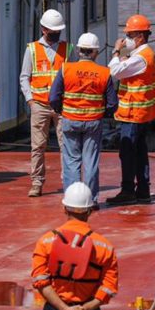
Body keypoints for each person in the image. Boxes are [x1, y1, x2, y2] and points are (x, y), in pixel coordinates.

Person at [32, 182, 119, 310]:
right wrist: (84, 309)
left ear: (64, 209)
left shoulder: (45, 241)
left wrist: (64, 309)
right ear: (90, 211)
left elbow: (40, 281)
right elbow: (109, 287)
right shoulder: (105, 247)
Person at [50, 33, 117, 208]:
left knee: (71, 162)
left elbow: (53, 97)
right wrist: (103, 114)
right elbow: (112, 104)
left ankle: (72, 200)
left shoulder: (66, 69)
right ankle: (91, 200)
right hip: (93, 122)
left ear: (79, 50)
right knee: (90, 162)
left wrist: (61, 110)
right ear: (95, 52)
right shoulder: (104, 73)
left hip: (70, 120)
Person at [106, 14, 155, 206]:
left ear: (140, 37)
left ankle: (128, 190)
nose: (126, 39)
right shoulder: (142, 55)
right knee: (139, 152)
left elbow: (114, 72)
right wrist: (125, 58)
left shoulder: (141, 58)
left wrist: (116, 52)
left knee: (128, 152)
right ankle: (143, 191)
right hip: (140, 113)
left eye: (129, 35)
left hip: (133, 114)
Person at [20, 9, 72, 197]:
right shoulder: (32, 49)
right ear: (43, 29)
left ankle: (68, 181)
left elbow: (73, 76)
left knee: (66, 145)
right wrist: (30, 100)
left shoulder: (68, 49)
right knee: (38, 146)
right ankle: (36, 182)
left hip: (62, 105)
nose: (56, 33)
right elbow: (24, 77)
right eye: (53, 30)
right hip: (39, 105)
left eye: (58, 31)